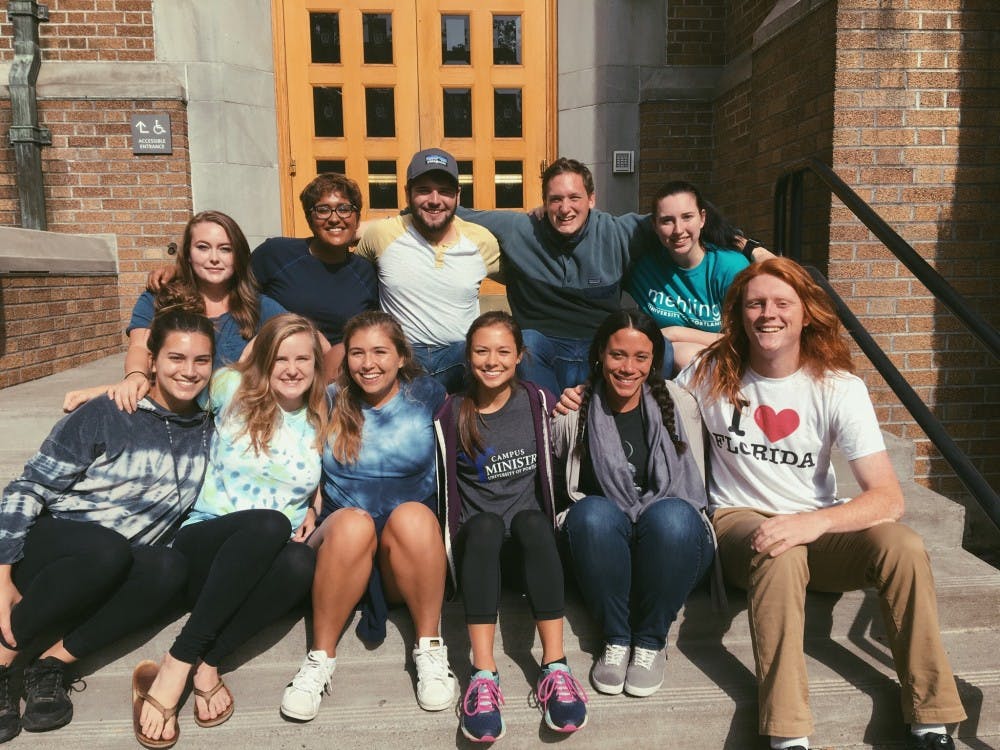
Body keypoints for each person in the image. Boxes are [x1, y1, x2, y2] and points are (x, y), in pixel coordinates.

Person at [677, 257, 966, 750]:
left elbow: (888, 498)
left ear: (806, 313)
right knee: (779, 548)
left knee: (904, 545)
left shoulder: (837, 387)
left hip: (815, 525)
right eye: (756, 303)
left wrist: (812, 522)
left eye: (782, 303)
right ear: (740, 314)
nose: (769, 313)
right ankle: (788, 734)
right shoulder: (711, 372)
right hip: (738, 522)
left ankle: (931, 717)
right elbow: (649, 389)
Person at [0, 311, 215, 742]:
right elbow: (28, 487)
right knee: (106, 549)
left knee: (170, 568)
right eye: (176, 358)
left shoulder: (210, 425)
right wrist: (1, 572)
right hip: (58, 544)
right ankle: (4, 660)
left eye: (202, 361)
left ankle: (52, 665)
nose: (189, 372)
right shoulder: (109, 411)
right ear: (150, 361)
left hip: (116, 560)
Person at [133, 313, 326, 749]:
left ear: (316, 366)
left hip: (265, 562)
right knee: (269, 522)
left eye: (303, 359)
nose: (292, 369)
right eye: (280, 358)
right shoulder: (231, 389)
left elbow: (323, 482)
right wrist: (119, 384)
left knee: (301, 562)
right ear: (263, 359)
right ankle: (180, 658)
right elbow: (167, 395)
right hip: (205, 545)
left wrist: (314, 507)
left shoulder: (321, 417)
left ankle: (208, 661)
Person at [279, 311, 457, 722]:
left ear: (400, 356)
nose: (368, 363)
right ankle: (319, 660)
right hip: (345, 547)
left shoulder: (427, 394)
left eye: (380, 351)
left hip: (407, 554)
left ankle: (430, 649)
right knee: (356, 522)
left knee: (413, 515)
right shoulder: (328, 398)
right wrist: (310, 499)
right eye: (357, 353)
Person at [434, 311, 587, 741]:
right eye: (481, 351)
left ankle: (555, 666)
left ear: (521, 356)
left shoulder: (538, 400)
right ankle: (483, 674)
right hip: (478, 550)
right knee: (482, 526)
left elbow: (578, 435)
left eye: (503, 351)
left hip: (527, 547)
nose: (492, 360)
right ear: (467, 357)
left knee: (533, 522)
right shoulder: (451, 412)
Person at [551, 310, 715, 698]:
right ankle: (616, 638)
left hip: (673, 543)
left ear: (655, 361)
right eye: (617, 355)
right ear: (599, 356)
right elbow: (558, 484)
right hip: (605, 545)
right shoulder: (574, 411)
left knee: (673, 515)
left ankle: (650, 642)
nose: (628, 368)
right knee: (590, 512)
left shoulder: (683, 404)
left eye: (641, 357)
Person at [64, 210, 287, 413]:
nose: (214, 258)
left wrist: (261, 345)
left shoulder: (261, 307)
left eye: (225, 249)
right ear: (188, 254)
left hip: (235, 426)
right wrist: (135, 375)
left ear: (237, 256)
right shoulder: (159, 298)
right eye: (202, 247)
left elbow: (313, 343)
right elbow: (140, 346)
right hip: (169, 418)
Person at [357, 148, 501, 392]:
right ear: (407, 193)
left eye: (445, 191)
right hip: (404, 358)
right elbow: (350, 274)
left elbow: (522, 281)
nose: (435, 200)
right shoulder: (381, 235)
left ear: (458, 195)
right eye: (424, 190)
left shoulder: (482, 242)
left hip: (460, 359)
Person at [251, 173, 379, 375]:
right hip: (278, 370)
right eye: (323, 210)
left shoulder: (365, 272)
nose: (335, 218)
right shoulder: (276, 254)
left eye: (345, 209)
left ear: (357, 218)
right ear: (310, 219)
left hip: (337, 379)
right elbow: (240, 298)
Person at [625, 180, 752, 373]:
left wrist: (674, 333)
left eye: (687, 217)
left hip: (728, 371)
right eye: (667, 220)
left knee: (679, 353)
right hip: (664, 378)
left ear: (702, 218)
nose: (678, 229)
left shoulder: (730, 267)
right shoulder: (642, 267)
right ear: (655, 225)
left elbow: (746, 338)